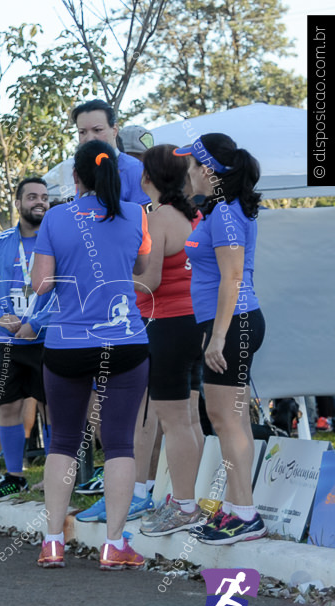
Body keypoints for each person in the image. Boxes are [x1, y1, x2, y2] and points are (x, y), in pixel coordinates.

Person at [30, 140, 151, 570]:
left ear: (76, 177)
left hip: (66, 343)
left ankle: (51, 542)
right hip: (124, 341)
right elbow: (139, 268)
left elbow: (40, 286)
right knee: (119, 443)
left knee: (63, 440)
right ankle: (114, 545)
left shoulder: (56, 217)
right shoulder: (137, 214)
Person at [177, 133, 267, 545]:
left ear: (207, 170)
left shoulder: (228, 214)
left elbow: (232, 278)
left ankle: (245, 513)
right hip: (230, 324)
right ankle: (237, 507)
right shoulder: (220, 210)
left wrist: (217, 337)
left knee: (225, 418)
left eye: (193, 166)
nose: (188, 173)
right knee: (232, 418)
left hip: (234, 324)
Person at [123, 144, 209, 537]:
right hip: (196, 323)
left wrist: (118, 281)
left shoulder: (156, 218)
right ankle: (192, 501)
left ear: (148, 178)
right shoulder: (195, 214)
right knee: (189, 420)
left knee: (175, 424)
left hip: (167, 324)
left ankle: (185, 507)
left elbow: (151, 281)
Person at [0, 177, 56, 502]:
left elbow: (64, 286)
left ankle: (53, 477)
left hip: (48, 339)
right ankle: (14, 476)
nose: (40, 202)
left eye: (45, 197)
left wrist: (37, 322)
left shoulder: (57, 242)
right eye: (32, 196)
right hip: (8, 340)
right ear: (18, 204)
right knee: (7, 408)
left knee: (52, 409)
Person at [72, 99, 151, 206]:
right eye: (82, 132)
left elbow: (144, 218)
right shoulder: (80, 170)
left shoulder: (135, 170)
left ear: (114, 130)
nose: (89, 138)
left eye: (97, 130)